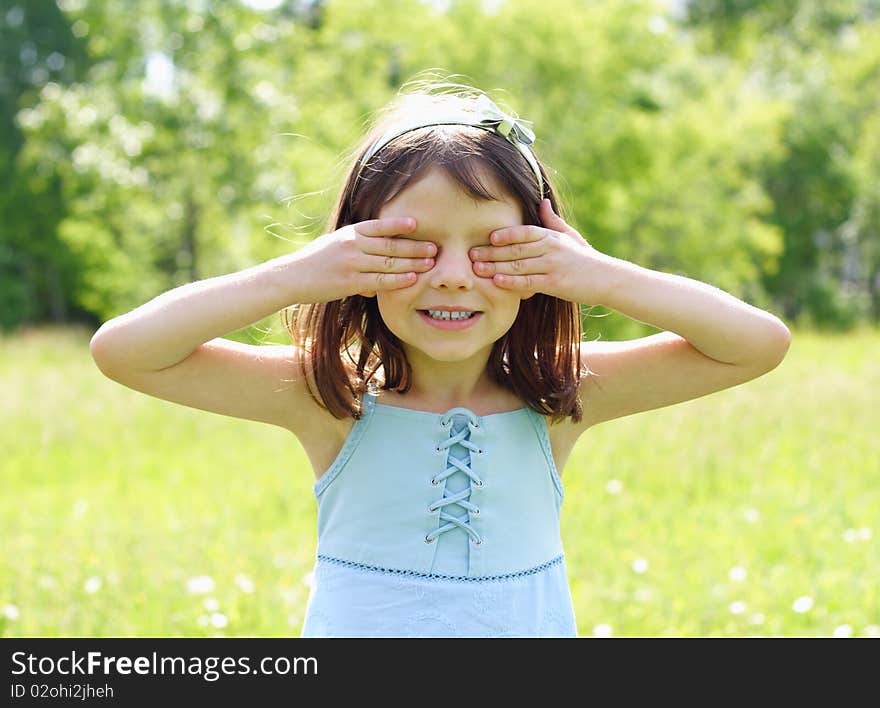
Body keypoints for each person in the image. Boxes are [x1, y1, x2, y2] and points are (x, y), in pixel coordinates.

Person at [89, 79, 791, 638]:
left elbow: (757, 344)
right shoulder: (329, 398)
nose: (454, 274)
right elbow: (125, 352)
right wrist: (299, 274)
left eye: (493, 247)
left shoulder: (561, 397)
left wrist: (598, 275)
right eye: (413, 246)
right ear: (357, 255)